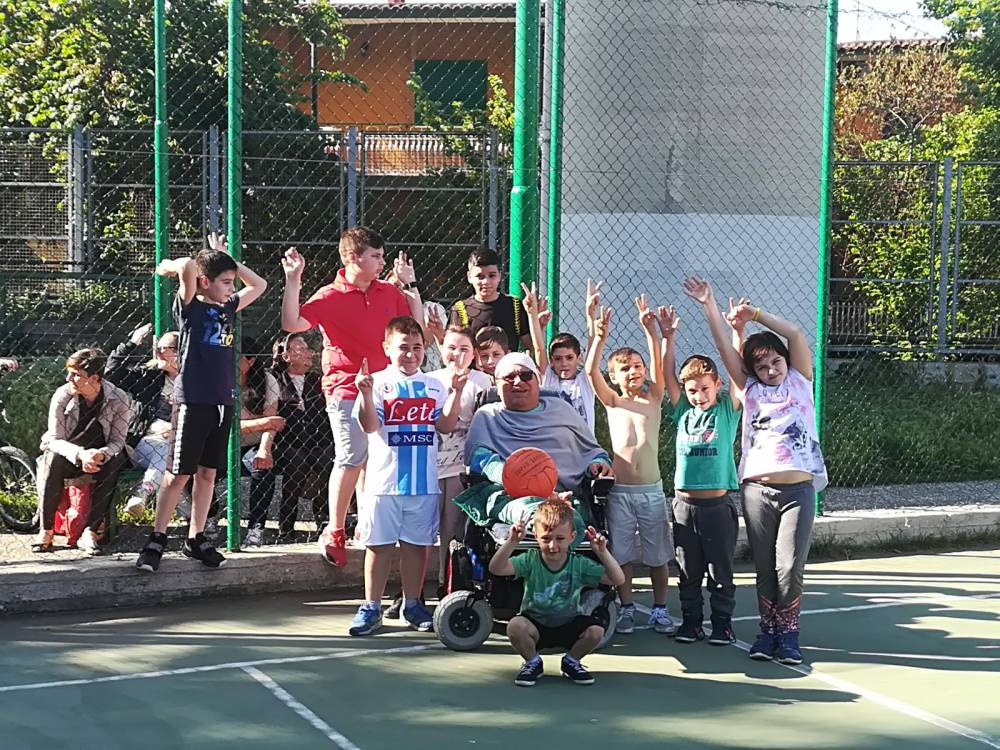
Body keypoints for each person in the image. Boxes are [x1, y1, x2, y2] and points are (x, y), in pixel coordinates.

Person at [683, 276, 827, 666]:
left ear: (786, 361)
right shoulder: (748, 389)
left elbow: (795, 331)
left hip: (798, 489)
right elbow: (721, 348)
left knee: (789, 566)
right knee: (764, 567)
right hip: (757, 490)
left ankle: (789, 632)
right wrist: (710, 305)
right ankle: (768, 633)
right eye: (761, 366)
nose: (771, 369)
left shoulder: (801, 380)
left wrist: (756, 315)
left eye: (775, 361)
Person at [280, 228, 424, 567]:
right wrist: (293, 278)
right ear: (352, 257)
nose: (382, 261)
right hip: (345, 386)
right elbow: (291, 322)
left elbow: (415, 328)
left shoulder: (388, 291)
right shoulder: (330, 295)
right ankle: (334, 529)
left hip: (386, 386)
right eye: (375, 256)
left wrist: (410, 286)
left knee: (374, 461)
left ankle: (365, 525)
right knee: (351, 456)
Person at [134, 234, 268, 572]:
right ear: (204, 283)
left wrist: (229, 261)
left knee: (208, 473)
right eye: (224, 282)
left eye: (231, 282)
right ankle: (157, 539)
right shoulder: (190, 307)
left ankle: (196, 538)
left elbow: (260, 284)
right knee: (178, 474)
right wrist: (168, 267)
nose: (230, 286)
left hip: (223, 403)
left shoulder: (228, 307)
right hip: (193, 402)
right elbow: (189, 266)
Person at [348, 316, 466, 636]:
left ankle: (412, 604)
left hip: (424, 482)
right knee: (379, 545)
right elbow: (370, 426)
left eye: (417, 347)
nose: (411, 354)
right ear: (386, 348)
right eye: (403, 347)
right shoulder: (376, 382)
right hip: (384, 483)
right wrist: (363, 394)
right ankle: (371, 607)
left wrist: (456, 392)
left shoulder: (434, 385)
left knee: (416, 546)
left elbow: (445, 425)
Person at [584, 288, 674, 636]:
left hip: (651, 491)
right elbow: (592, 371)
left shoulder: (653, 398)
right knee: (621, 555)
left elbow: (659, 369)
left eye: (637, 366)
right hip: (619, 493)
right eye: (625, 368)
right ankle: (626, 607)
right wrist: (598, 337)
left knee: (657, 555)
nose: (633, 372)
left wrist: (651, 332)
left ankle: (661, 608)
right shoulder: (613, 402)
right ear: (615, 377)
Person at [662, 298, 742, 646]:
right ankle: (691, 622)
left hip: (717, 508)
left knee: (719, 571)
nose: (698, 395)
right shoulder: (682, 412)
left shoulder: (728, 410)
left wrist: (738, 331)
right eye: (692, 390)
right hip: (684, 506)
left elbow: (739, 373)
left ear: (718, 385)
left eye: (704, 389)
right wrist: (668, 338)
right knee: (687, 571)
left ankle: (722, 623)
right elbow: (667, 376)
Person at [489, 498, 626, 687]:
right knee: (515, 626)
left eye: (560, 539)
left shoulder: (578, 563)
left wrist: (603, 552)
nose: (553, 546)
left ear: (572, 536)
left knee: (596, 632)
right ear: (535, 535)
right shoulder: (530, 560)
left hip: (568, 623)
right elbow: (496, 568)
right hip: (535, 625)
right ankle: (532, 662)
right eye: (546, 538)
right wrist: (512, 542)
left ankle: (571, 662)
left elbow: (617, 580)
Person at [465, 352, 613, 494]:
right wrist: (515, 477)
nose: (518, 382)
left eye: (526, 376)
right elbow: (479, 458)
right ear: (497, 385)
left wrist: (598, 463)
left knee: (563, 518)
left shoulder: (561, 409)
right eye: (509, 377)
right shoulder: (487, 415)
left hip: (566, 494)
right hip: (508, 494)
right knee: (532, 514)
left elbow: (592, 451)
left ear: (537, 381)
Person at [33, 348, 131, 553]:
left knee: (113, 462)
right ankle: (46, 530)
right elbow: (54, 438)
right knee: (53, 459)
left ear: (94, 378)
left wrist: (101, 454)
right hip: (69, 454)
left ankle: (90, 532)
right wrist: (80, 455)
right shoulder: (62, 395)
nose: (69, 378)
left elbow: (118, 441)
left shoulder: (119, 398)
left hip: (100, 454)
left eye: (76, 374)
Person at [427, 325, 492, 597]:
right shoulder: (429, 380)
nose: (457, 354)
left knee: (453, 528)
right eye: (451, 347)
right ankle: (413, 590)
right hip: (430, 464)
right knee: (425, 528)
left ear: (474, 354)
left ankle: (448, 582)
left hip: (461, 466)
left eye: (464, 349)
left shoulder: (484, 382)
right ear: (441, 349)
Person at [104, 323, 180, 517]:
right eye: (157, 347)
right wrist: (131, 343)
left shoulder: (196, 381)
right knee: (165, 451)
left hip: (182, 442)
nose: (158, 352)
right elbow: (111, 373)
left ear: (181, 351)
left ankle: (198, 516)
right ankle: (143, 492)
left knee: (176, 452)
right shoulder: (149, 377)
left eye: (165, 348)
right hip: (145, 443)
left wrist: (176, 430)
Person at [264, 333, 334, 540]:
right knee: (296, 463)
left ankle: (325, 523)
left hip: (317, 439)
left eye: (307, 349)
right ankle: (286, 528)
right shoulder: (275, 379)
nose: (308, 353)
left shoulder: (316, 380)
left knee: (326, 460)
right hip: (287, 440)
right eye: (300, 349)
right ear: (286, 356)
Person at [523, 281, 596, 432]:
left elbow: (593, 344)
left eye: (569, 358)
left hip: (583, 447)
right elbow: (539, 348)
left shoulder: (585, 381)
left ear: (579, 358)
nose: (564, 363)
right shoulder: (549, 378)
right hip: (553, 444)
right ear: (551, 361)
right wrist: (532, 316)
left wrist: (590, 314)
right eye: (558, 359)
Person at [238, 338, 285, 546]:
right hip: (223, 444)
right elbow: (227, 428)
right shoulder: (217, 379)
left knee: (263, 470)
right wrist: (264, 422)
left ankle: (256, 528)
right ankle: (210, 517)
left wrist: (264, 450)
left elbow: (272, 426)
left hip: (252, 445)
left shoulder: (267, 381)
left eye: (236, 357)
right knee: (201, 470)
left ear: (250, 360)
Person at [449, 248, 530, 351]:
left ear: (499, 275)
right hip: (474, 367)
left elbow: (530, 345)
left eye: (492, 275)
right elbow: (452, 348)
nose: (486, 281)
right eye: (480, 276)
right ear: (469, 277)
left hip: (507, 366)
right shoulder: (460, 309)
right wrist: (437, 334)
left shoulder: (514, 306)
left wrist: (537, 322)